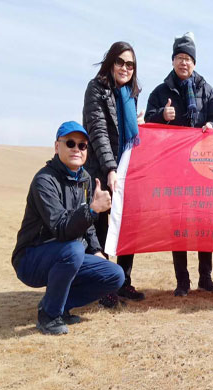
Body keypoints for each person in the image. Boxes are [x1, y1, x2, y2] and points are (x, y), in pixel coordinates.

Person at [11, 121, 125, 335]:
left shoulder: (85, 180)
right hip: (32, 258)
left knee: (115, 275)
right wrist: (92, 211)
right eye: (70, 143)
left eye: (82, 146)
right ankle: (49, 317)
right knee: (73, 249)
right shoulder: (44, 181)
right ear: (57, 147)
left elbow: (87, 227)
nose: (76, 149)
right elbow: (61, 228)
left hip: (68, 254)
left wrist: (97, 251)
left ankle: (57, 305)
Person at [145, 32, 213, 296]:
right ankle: (182, 281)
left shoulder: (207, 89)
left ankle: (205, 277)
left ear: (195, 63)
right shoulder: (160, 91)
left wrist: (212, 125)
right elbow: (147, 126)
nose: (184, 63)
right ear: (172, 60)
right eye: (179, 57)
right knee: (178, 224)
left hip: (202, 168)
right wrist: (162, 115)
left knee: (204, 223)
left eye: (188, 58)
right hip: (173, 170)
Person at [83, 41, 145, 308]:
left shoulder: (131, 94)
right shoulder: (96, 88)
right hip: (100, 170)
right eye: (120, 62)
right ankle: (103, 285)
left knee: (126, 226)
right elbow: (97, 132)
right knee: (100, 227)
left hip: (127, 168)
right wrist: (110, 169)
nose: (125, 68)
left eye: (130, 64)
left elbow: (130, 134)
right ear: (110, 62)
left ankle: (123, 281)